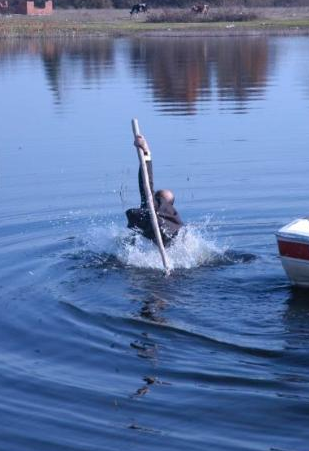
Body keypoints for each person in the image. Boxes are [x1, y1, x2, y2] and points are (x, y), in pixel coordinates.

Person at [126, 135, 183, 247]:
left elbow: (146, 183)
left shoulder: (155, 204)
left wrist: (146, 152)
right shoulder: (175, 219)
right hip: (169, 235)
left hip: (161, 230)